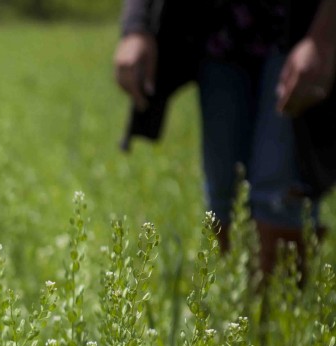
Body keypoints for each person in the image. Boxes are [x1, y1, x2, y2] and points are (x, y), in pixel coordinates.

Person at [114, 0, 336, 284]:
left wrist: (325, 37)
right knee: (224, 193)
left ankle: (275, 320)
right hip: (218, 33)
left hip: (298, 26)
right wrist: (136, 25)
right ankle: (236, 311)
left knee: (279, 193)